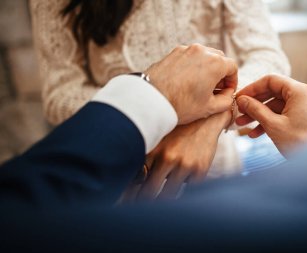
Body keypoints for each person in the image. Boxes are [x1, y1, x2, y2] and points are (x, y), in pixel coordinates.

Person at [2, 44, 307, 252]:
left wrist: (206, 117)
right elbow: (59, 95)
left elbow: (266, 52)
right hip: (123, 177)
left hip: (227, 155)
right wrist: (158, 113)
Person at [30, 0, 290, 199]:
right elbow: (60, 94)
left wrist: (210, 122)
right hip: (116, 175)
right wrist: (152, 118)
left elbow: (269, 59)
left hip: (213, 166)